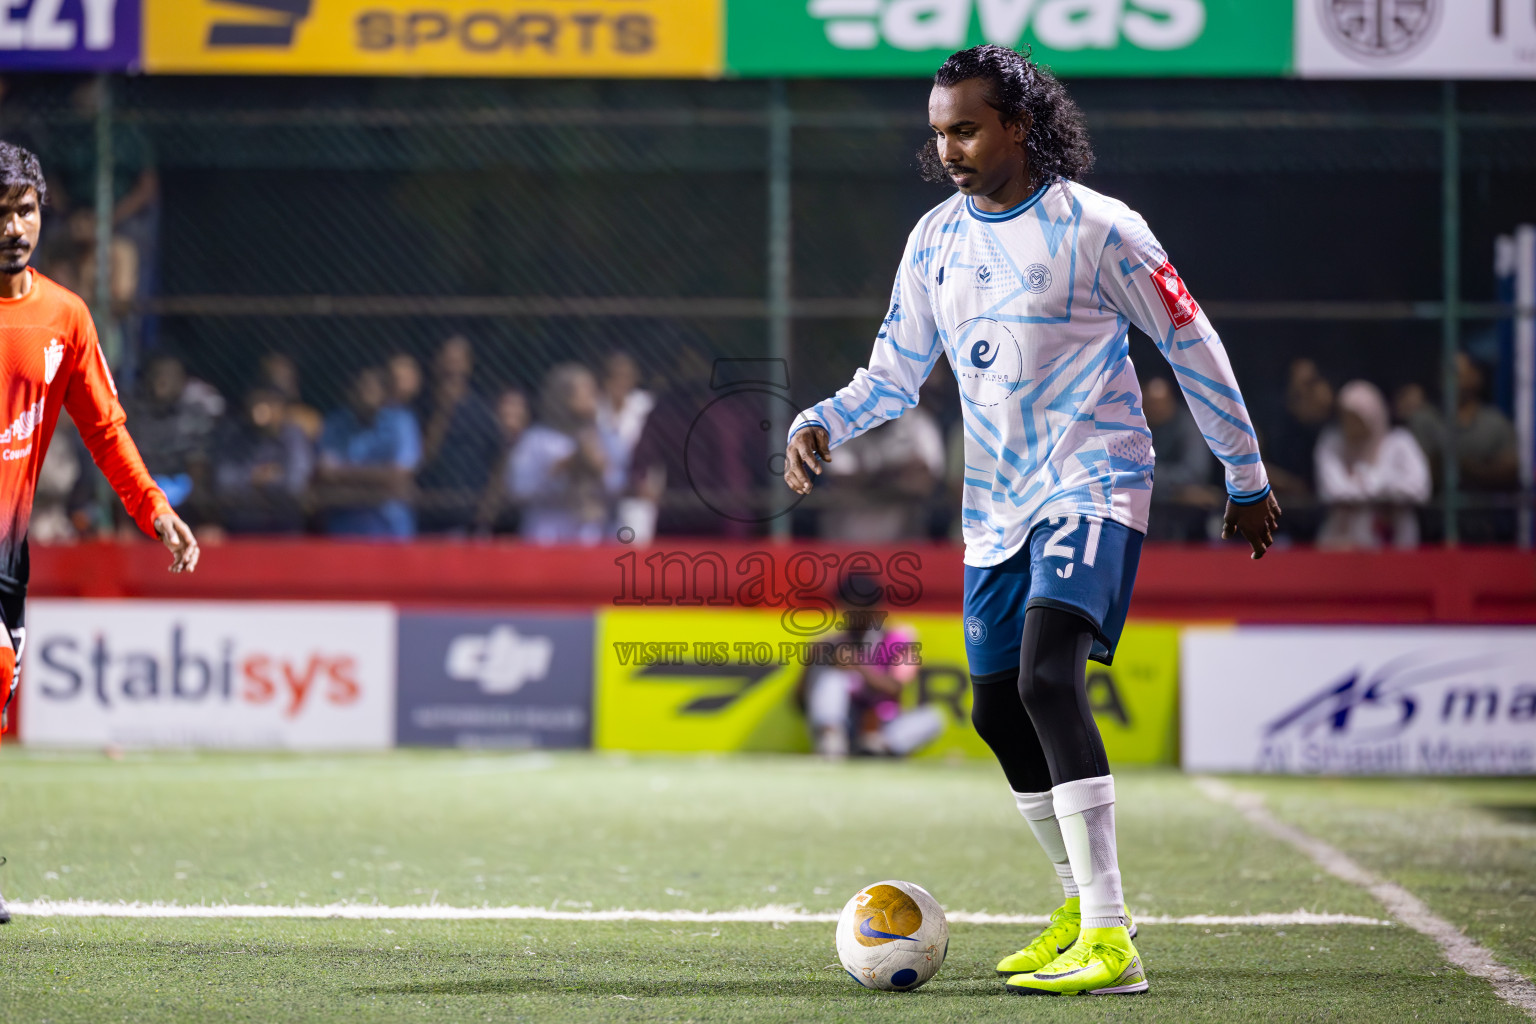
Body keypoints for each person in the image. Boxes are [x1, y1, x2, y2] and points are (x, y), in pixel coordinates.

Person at [783, 46, 1278, 997]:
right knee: (996, 707)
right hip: (995, 507)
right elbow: (893, 371)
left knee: (1050, 679)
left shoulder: (1100, 229)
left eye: (965, 129)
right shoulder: (934, 239)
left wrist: (1244, 474)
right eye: (938, 134)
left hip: (1093, 482)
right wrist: (822, 420)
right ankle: (1073, 906)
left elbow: (1191, 342)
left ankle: (1112, 939)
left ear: (1019, 123)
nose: (949, 150)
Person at [0, 143, 200, 923]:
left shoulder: (65, 316)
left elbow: (105, 430)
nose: (13, 226)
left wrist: (153, 507)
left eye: (24, 210)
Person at [509, 364, 624, 545]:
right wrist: (559, 471)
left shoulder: (606, 437)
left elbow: (620, 485)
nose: (593, 397)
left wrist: (601, 469)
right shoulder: (536, 440)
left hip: (593, 536)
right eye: (586, 391)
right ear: (563, 396)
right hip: (546, 535)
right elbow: (520, 488)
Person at [1314, 380, 1430, 549]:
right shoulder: (1331, 442)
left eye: (1355, 418)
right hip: (1344, 544)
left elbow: (1419, 487)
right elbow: (1332, 490)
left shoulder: (1400, 442)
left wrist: (1366, 482)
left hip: (1397, 541)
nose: (1349, 425)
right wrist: (1383, 489)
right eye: (1344, 417)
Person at [801, 623, 943, 760]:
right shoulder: (833, 642)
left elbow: (894, 687)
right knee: (832, 679)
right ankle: (831, 739)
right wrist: (813, 662)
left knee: (933, 718)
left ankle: (877, 748)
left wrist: (858, 666)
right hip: (848, 723)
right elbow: (799, 700)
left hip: (885, 726)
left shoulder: (898, 640)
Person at [313, 366, 421, 538]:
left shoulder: (401, 422)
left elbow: (399, 477)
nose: (365, 393)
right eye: (360, 387)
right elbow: (324, 475)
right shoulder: (335, 424)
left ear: (384, 394)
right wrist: (379, 480)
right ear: (350, 392)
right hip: (344, 530)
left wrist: (342, 474)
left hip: (390, 530)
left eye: (371, 388)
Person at [415, 336, 500, 533]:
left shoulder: (482, 412)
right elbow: (420, 459)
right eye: (447, 360)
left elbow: (499, 459)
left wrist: (489, 506)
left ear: (468, 366)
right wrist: (443, 412)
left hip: (469, 517)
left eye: (458, 361)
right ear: (436, 364)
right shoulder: (421, 409)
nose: (452, 368)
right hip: (427, 517)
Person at [211, 387, 314, 535]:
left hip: (284, 522)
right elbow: (225, 482)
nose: (261, 409)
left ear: (281, 407)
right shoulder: (234, 437)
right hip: (243, 522)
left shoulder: (293, 436)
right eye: (257, 402)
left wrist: (253, 481)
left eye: (269, 403)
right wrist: (254, 478)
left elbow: (295, 483)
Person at [1142, 376, 1220, 541]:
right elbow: (1125, 471)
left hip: (1183, 512)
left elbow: (1194, 472)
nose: (1155, 409)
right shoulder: (1135, 427)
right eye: (1150, 403)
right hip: (1147, 503)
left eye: (1159, 403)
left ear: (1171, 401)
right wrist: (1170, 490)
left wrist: (1149, 478)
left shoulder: (1187, 425)